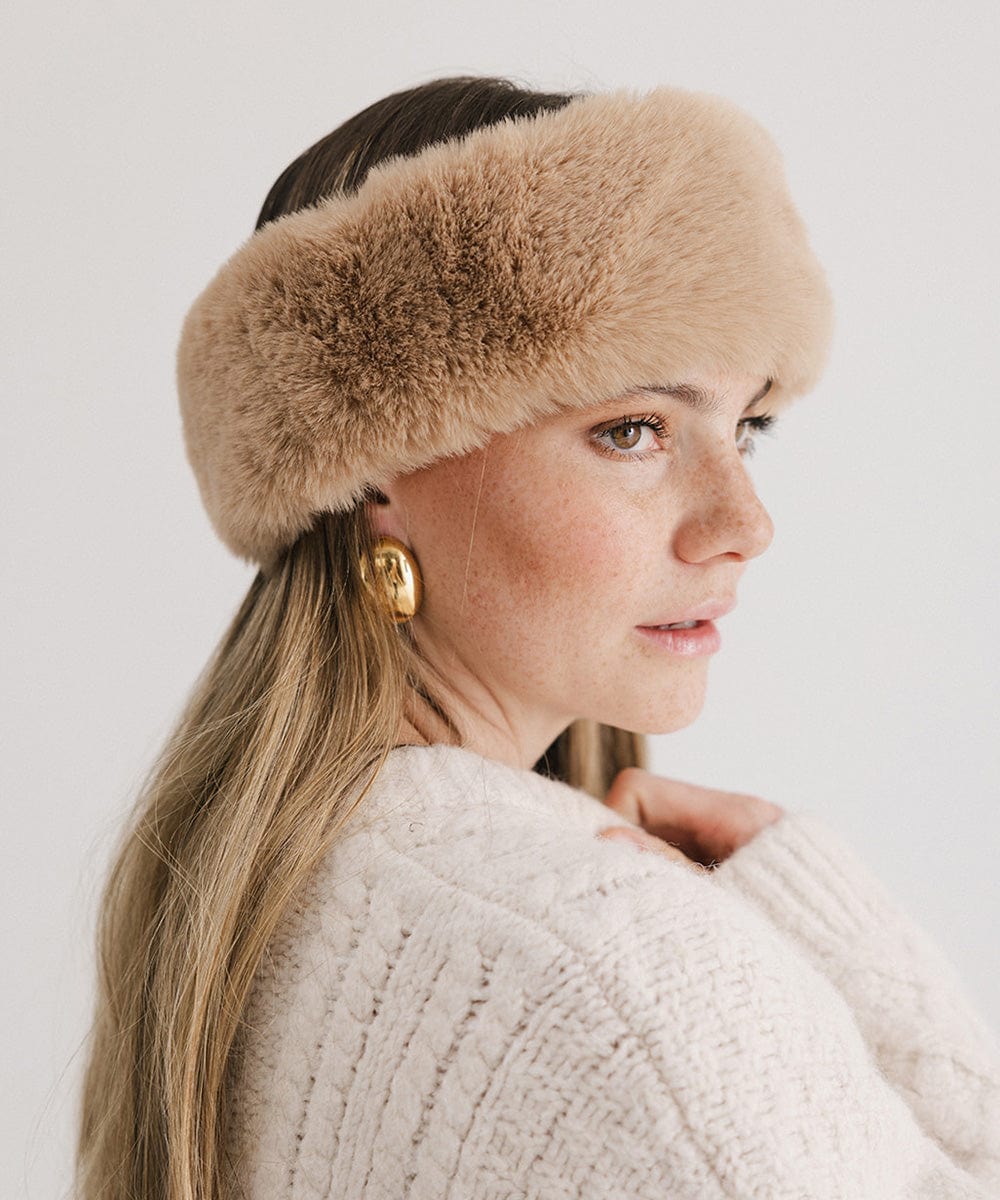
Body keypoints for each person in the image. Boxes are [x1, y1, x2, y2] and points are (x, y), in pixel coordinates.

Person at [76, 75, 1000, 1199]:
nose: (745, 526)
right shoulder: (631, 973)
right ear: (372, 469)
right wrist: (874, 974)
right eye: (632, 430)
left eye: (746, 428)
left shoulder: (256, 900)